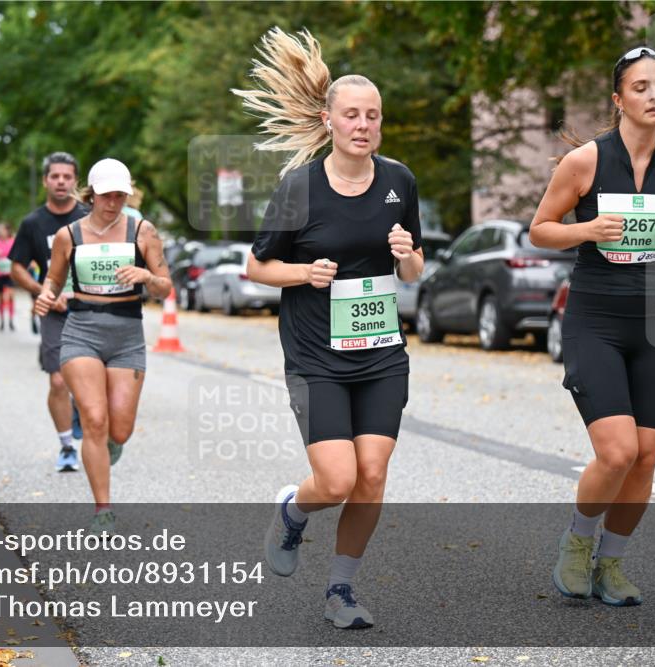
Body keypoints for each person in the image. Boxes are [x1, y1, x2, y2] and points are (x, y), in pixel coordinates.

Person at [233, 28, 423, 629]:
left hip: (382, 352)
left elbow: (414, 271)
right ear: (329, 120)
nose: (363, 125)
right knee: (336, 479)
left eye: (373, 116)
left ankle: (341, 590)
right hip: (316, 355)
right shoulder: (300, 187)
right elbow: (256, 267)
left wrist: (406, 251)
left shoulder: (400, 182)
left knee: (371, 474)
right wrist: (302, 272)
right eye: (352, 115)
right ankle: (293, 511)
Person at [531, 46, 655, 606]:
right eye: (641, 87)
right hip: (595, 320)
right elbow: (541, 229)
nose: (654, 95)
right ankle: (578, 542)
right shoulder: (584, 162)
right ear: (618, 99)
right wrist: (587, 231)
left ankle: (612, 564)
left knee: (648, 455)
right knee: (617, 451)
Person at [34, 157, 172, 533]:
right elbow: (52, 280)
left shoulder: (143, 231)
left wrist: (145, 274)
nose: (114, 202)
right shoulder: (69, 235)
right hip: (81, 331)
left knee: (119, 430)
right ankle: (103, 510)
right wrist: (45, 297)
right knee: (95, 420)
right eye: (107, 194)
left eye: (120, 195)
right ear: (91, 194)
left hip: (127, 336)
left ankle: (109, 440)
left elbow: (165, 285)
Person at [10, 152, 90, 473]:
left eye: (67, 177)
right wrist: (41, 291)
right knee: (58, 381)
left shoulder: (90, 216)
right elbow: (16, 267)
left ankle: (82, 413)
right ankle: (67, 446)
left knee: (89, 381)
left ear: (75, 181)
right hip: (54, 311)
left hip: (90, 310)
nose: (61, 182)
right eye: (55, 176)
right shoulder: (33, 223)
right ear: (45, 180)